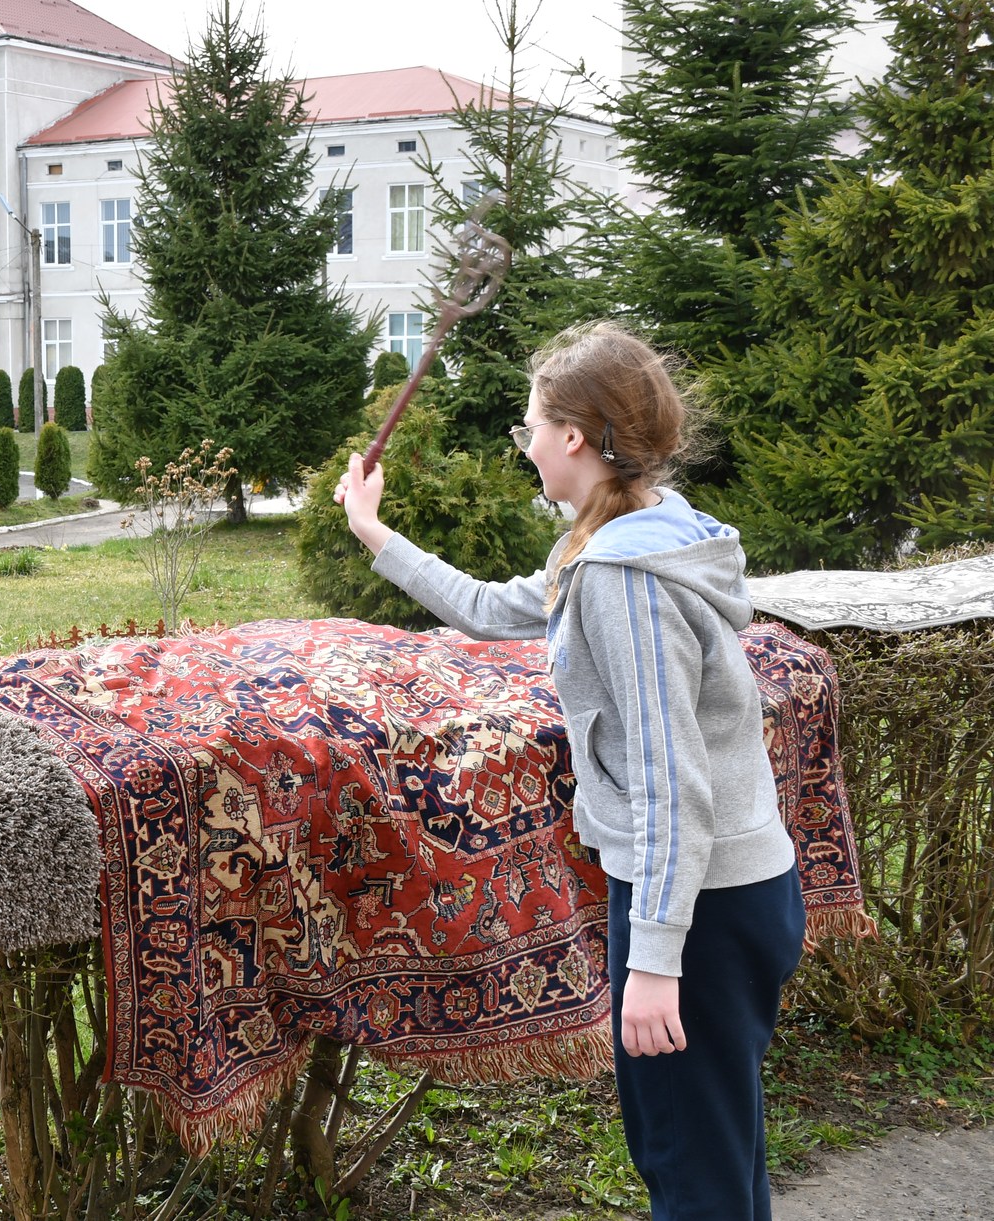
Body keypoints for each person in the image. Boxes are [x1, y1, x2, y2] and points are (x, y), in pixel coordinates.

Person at [331, 320, 803, 1221]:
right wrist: (373, 530)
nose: (528, 445)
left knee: (689, 1168)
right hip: (732, 890)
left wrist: (656, 957)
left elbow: (669, 779)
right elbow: (490, 608)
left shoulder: (626, 579)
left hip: (695, 912)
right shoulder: (642, 535)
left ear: (575, 436)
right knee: (721, 1158)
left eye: (532, 427)